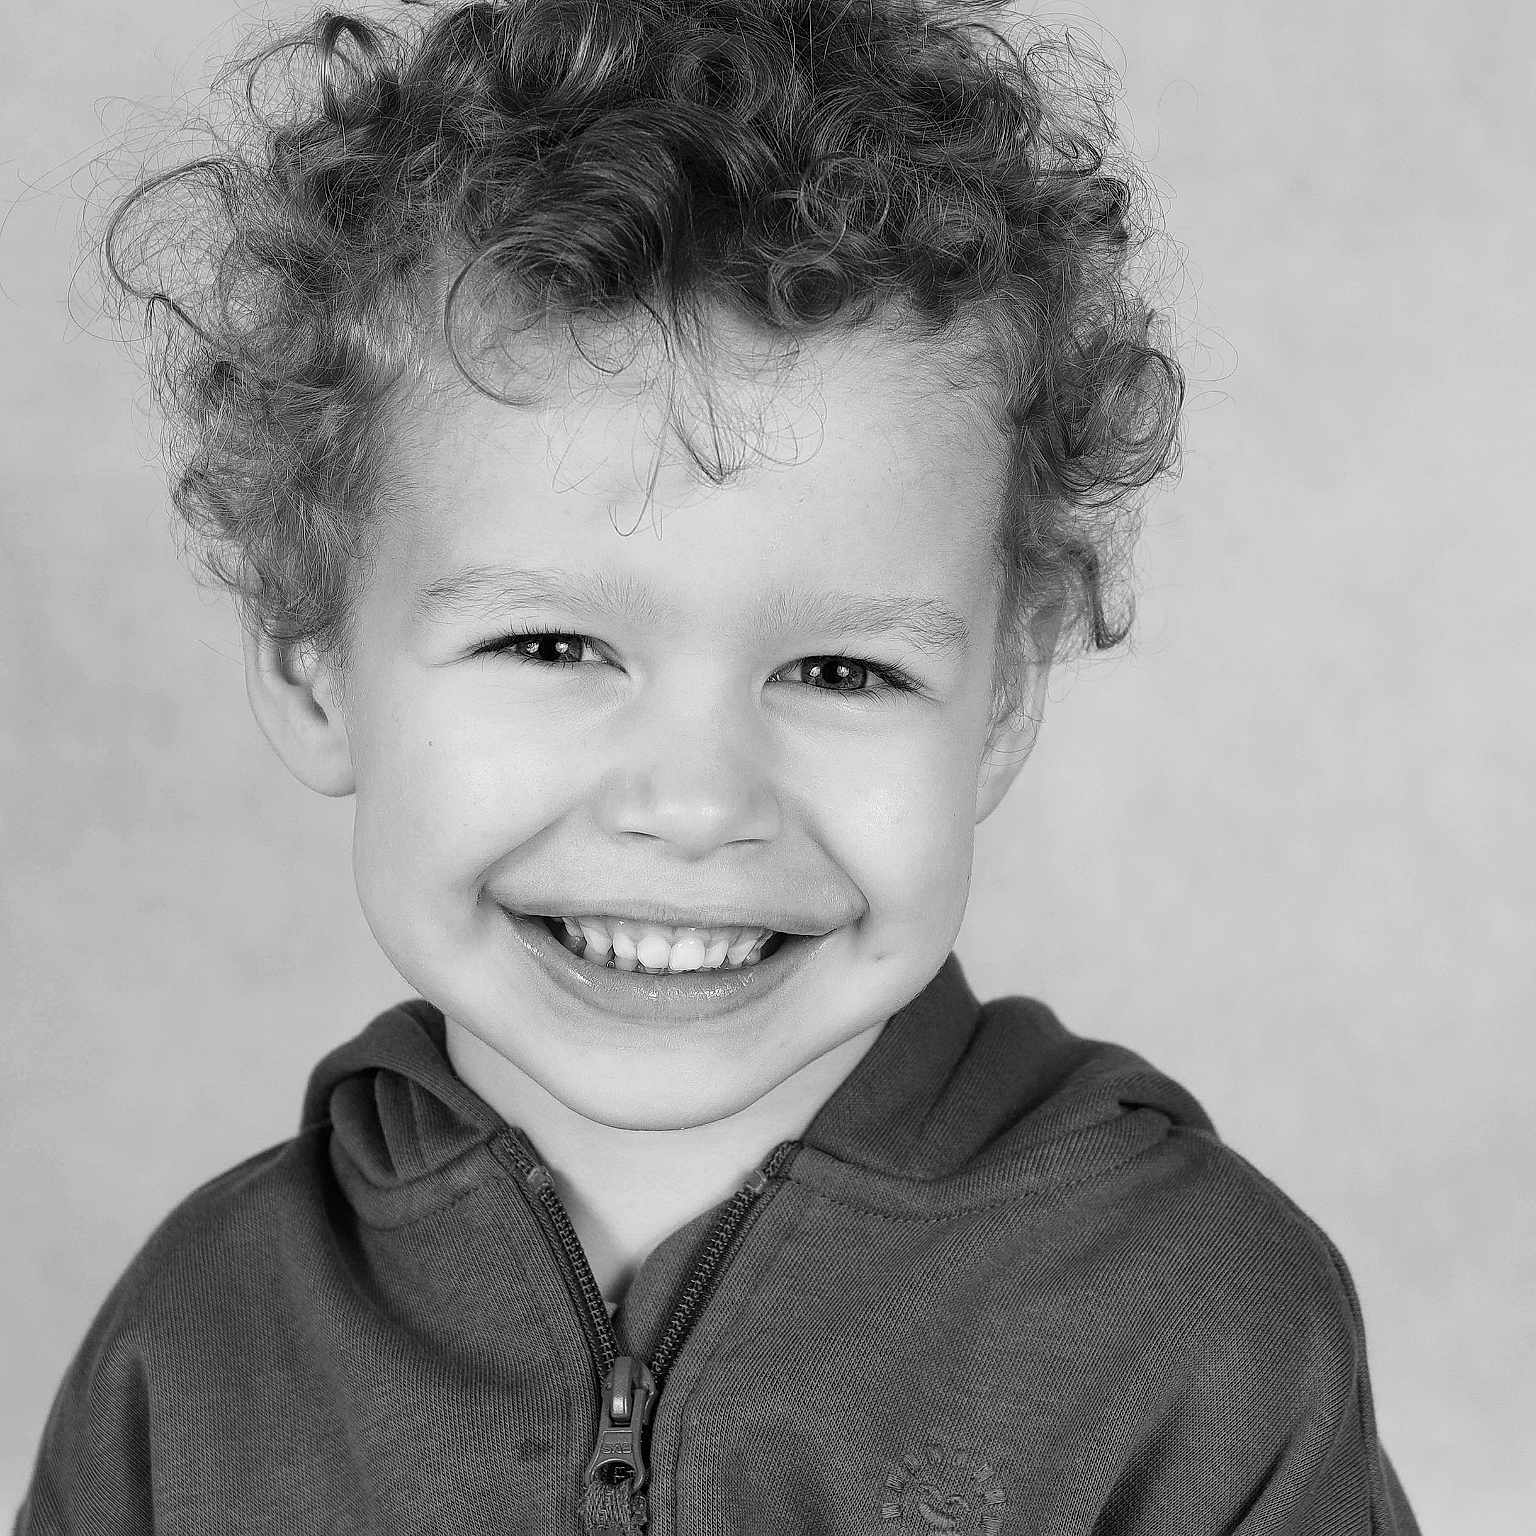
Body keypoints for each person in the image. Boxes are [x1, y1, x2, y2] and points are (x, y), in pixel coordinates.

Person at [17, 1, 1421, 1531]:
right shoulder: (199, 1348)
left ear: (1001, 704)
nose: (693, 804)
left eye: (841, 670)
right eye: (551, 649)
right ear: (313, 665)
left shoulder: (1200, 1335)